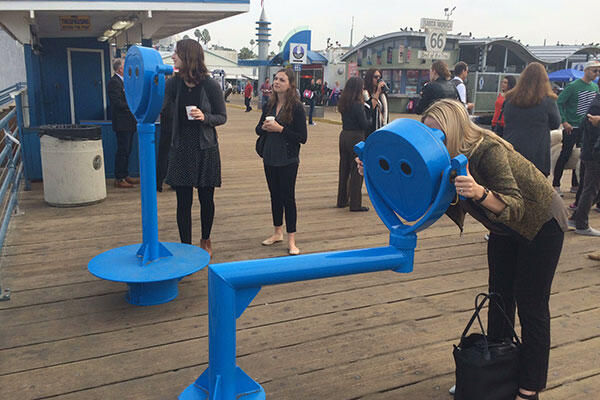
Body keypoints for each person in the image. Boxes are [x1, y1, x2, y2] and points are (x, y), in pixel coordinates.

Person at [421, 99, 567, 400]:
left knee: (532, 305)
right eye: (427, 134)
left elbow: (514, 205)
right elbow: (427, 200)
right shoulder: (445, 158)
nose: (432, 142)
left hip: (542, 223)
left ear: (454, 130)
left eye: (437, 134)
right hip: (503, 228)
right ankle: (495, 372)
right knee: (499, 298)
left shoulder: (487, 151)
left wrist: (479, 192)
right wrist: (373, 168)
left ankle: (528, 388)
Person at [163, 39, 227, 258]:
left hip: (205, 148)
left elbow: (222, 117)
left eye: (176, 53)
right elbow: (161, 106)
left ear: (188, 56)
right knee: (183, 202)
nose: (172, 57)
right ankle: (185, 246)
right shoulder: (173, 84)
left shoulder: (210, 85)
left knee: (206, 199)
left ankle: (206, 239)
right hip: (181, 147)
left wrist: (205, 117)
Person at [256, 68, 307, 255]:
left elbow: (302, 137)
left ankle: (292, 239)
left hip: (288, 159)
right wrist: (264, 127)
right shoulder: (268, 106)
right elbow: (257, 130)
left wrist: (280, 129)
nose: (276, 82)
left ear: (290, 84)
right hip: (269, 157)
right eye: (275, 79)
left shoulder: (297, 108)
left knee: (288, 197)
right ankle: (277, 232)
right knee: (274, 196)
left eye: (282, 80)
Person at [503, 62, 561, 177]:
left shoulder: (510, 99)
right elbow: (556, 124)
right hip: (537, 154)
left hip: (511, 150)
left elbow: (506, 119)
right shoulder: (548, 101)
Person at [553, 60, 600, 195]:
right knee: (565, 154)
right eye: (594, 71)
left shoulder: (595, 87)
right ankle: (556, 184)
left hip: (586, 128)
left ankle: (575, 184)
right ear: (586, 70)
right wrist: (564, 121)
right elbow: (559, 102)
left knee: (582, 156)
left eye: (598, 71)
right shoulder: (573, 86)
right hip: (571, 127)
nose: (596, 74)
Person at [336, 77, 371, 212]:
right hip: (356, 136)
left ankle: (342, 199)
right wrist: (370, 117)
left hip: (344, 135)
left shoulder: (344, 102)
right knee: (357, 169)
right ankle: (355, 204)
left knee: (343, 168)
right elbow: (364, 124)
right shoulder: (358, 104)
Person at [568, 93, 600, 236]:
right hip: (594, 154)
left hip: (590, 152)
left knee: (588, 188)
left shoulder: (595, 103)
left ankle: (576, 219)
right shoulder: (596, 106)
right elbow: (590, 130)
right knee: (591, 189)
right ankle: (581, 223)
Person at [108, 58, 139, 188]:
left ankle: (125, 174)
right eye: (126, 66)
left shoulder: (125, 82)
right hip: (122, 123)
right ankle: (119, 178)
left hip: (129, 122)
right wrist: (131, 106)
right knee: (122, 150)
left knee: (128, 150)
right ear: (120, 68)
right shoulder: (114, 82)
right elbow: (117, 103)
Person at [363, 68, 389, 136]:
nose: (378, 79)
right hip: (370, 129)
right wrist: (377, 92)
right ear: (370, 78)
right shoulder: (365, 92)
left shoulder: (382, 95)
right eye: (375, 77)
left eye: (379, 77)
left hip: (382, 127)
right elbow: (370, 107)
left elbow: (385, 111)